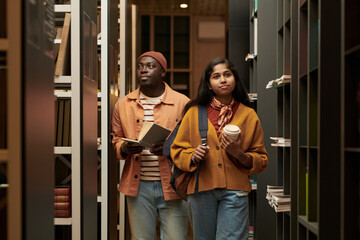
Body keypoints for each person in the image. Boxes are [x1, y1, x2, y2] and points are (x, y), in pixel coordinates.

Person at [170, 57, 268, 240]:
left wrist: (240, 154)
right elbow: (177, 151)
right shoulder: (193, 112)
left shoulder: (248, 114)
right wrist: (192, 156)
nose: (222, 79)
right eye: (216, 76)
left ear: (235, 79)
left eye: (227, 75)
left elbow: (262, 159)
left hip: (236, 191)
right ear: (208, 84)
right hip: (200, 191)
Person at [112, 51, 190, 240]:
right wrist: (124, 147)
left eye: (150, 66)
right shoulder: (123, 104)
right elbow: (116, 139)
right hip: (137, 188)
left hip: (174, 185)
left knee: (176, 238)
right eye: (140, 66)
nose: (143, 70)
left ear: (163, 72)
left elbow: (191, 144)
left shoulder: (182, 103)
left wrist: (170, 148)